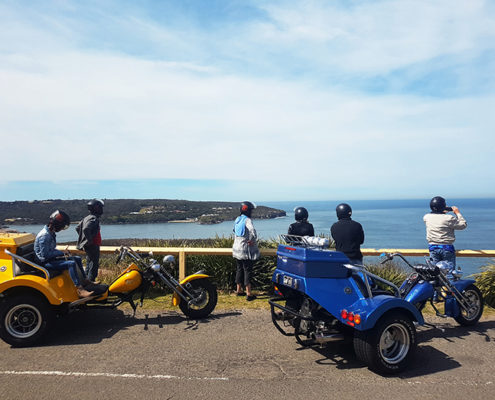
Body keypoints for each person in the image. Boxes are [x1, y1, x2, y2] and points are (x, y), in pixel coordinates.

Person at [34, 210, 94, 298]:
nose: (62, 229)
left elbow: (49, 250)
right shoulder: (45, 236)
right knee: (71, 263)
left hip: (49, 259)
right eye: (62, 226)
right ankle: (79, 289)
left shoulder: (50, 232)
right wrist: (60, 253)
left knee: (77, 258)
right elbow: (44, 255)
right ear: (56, 224)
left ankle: (85, 280)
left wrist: (61, 254)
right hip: (44, 262)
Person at [423, 196, 467, 267]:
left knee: (435, 272)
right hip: (447, 248)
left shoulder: (426, 217)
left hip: (432, 247)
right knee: (448, 272)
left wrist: (441, 211)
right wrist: (457, 213)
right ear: (442, 207)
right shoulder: (449, 218)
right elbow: (463, 225)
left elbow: (437, 218)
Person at [232, 201, 260, 301]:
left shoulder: (237, 219)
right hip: (245, 249)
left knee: (239, 268)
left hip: (236, 248)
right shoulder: (247, 220)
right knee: (247, 270)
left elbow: (235, 231)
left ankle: (239, 290)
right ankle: (249, 293)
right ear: (248, 211)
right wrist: (251, 240)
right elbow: (253, 231)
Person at [76, 199, 104, 282]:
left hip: (90, 245)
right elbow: (86, 228)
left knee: (89, 263)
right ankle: (91, 281)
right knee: (94, 264)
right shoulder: (93, 218)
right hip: (93, 245)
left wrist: (84, 240)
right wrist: (89, 240)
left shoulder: (86, 218)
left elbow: (78, 228)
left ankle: (86, 281)